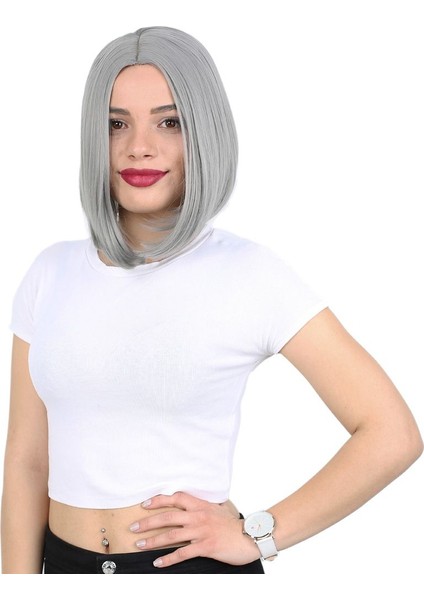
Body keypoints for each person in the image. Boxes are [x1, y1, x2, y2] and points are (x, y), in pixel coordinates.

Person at [1, 25, 422, 575]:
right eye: (116, 123)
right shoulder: (50, 273)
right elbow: (28, 463)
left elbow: (392, 434)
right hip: (63, 565)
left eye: (169, 122)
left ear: (204, 131)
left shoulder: (249, 273)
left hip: (190, 571)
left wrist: (258, 534)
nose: (139, 146)